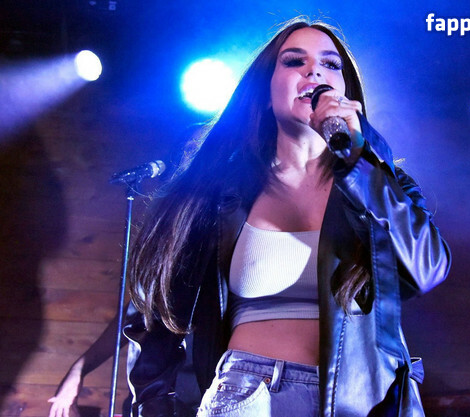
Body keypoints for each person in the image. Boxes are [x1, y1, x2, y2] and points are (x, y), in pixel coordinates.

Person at [124, 18, 451, 417]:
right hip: (245, 395)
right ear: (265, 94)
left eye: (330, 64)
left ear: (346, 94)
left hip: (356, 404)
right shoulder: (216, 192)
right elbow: (157, 315)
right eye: (295, 61)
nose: (314, 72)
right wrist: (153, 406)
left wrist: (357, 160)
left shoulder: (383, 185)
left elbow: (424, 269)